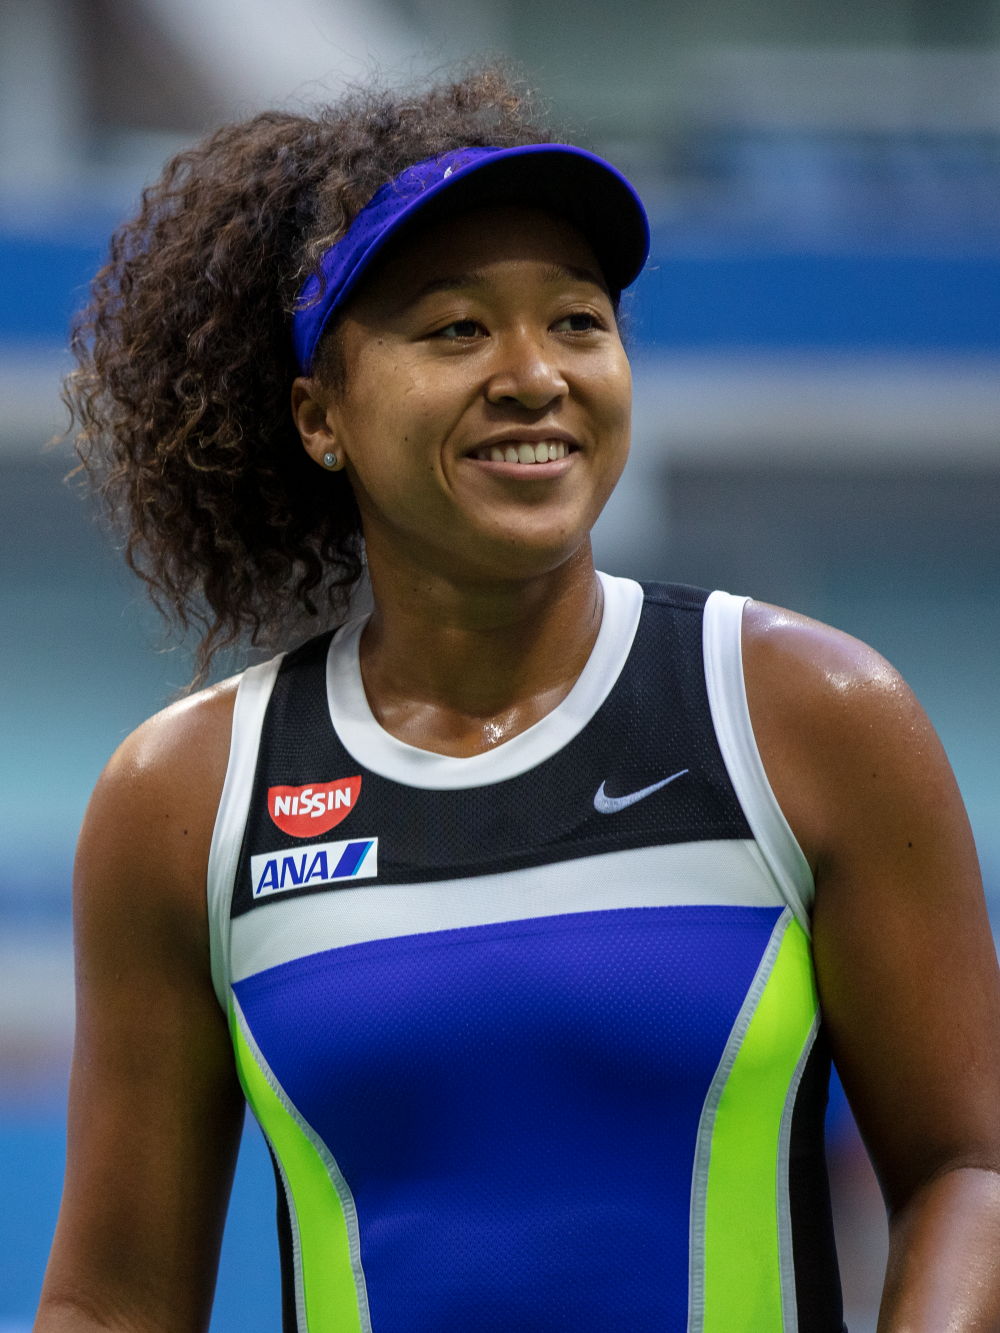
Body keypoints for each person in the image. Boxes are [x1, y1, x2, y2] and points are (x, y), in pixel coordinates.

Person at [36, 68, 1000, 1333]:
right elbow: (112, 1304)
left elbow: (966, 1170)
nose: (533, 374)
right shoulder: (187, 799)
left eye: (578, 321)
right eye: (456, 330)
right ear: (319, 414)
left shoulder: (808, 715)